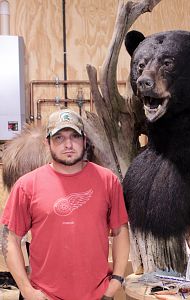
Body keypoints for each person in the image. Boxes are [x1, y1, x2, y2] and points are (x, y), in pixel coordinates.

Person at [1, 109, 130, 300]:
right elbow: (9, 239)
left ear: (84, 140)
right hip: (44, 296)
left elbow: (120, 230)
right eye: (59, 138)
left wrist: (116, 281)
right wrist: (28, 291)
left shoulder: (108, 181)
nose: (68, 144)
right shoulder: (27, 185)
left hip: (97, 295)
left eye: (74, 136)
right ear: (47, 143)